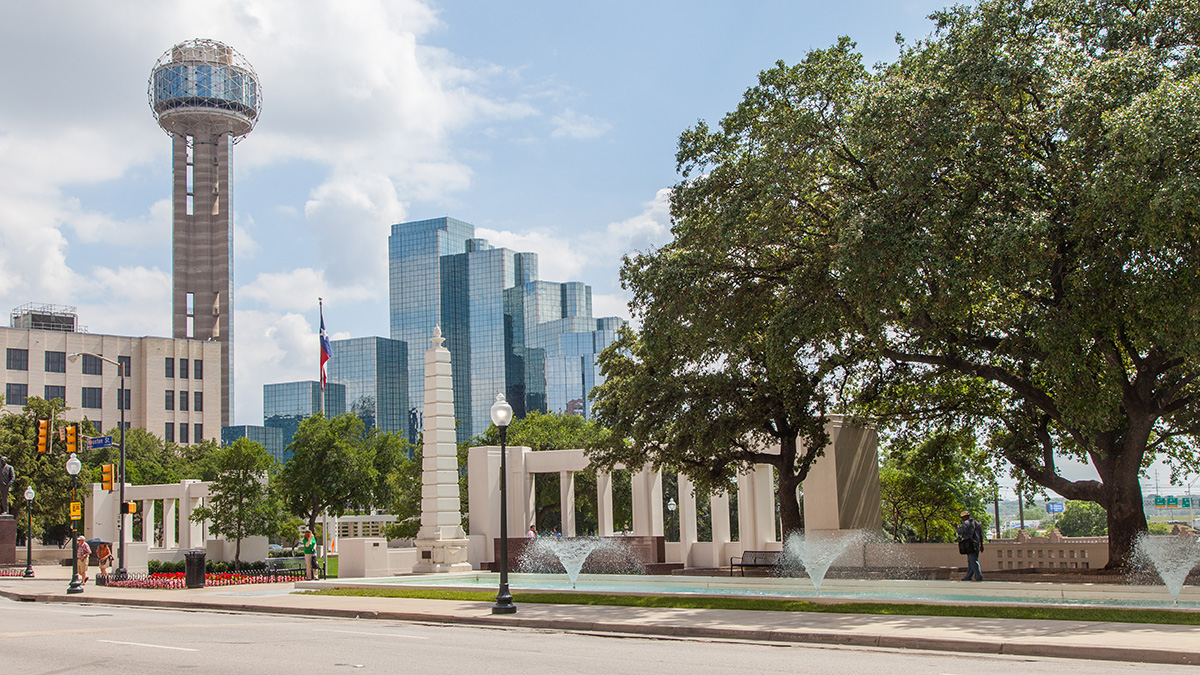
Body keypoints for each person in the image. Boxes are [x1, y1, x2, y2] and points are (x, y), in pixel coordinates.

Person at [956, 510, 984, 581]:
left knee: (973, 560)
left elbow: (960, 531)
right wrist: (981, 545)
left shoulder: (966, 523)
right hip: (976, 544)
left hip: (970, 544)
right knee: (971, 561)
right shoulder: (977, 523)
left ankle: (978, 577)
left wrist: (956, 528)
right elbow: (981, 535)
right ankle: (968, 577)